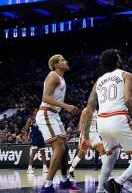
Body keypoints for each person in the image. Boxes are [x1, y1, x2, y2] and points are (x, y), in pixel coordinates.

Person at [80, 49, 132, 193]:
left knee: (110, 158)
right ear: (118, 61)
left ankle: (100, 189)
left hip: (102, 122)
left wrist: (86, 136)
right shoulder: (126, 75)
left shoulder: (98, 81)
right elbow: (128, 100)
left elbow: (89, 110)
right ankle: (117, 182)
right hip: (118, 118)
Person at [36, 54, 80, 192]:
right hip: (46, 113)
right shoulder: (53, 76)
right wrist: (66, 106)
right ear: (56, 65)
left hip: (54, 115)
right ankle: (47, 185)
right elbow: (45, 97)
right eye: (62, 60)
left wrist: (62, 108)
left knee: (65, 148)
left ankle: (64, 180)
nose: (66, 61)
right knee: (59, 148)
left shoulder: (61, 78)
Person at [68, 109, 106, 182]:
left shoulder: (96, 111)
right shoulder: (85, 110)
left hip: (94, 134)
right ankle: (71, 170)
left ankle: (107, 172)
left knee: (103, 151)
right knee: (81, 154)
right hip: (86, 134)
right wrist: (85, 137)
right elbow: (81, 124)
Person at [24, 109, 48, 174]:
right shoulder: (30, 119)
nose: (37, 111)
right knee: (33, 152)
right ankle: (29, 168)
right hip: (34, 137)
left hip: (41, 136)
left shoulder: (41, 118)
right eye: (35, 111)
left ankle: (45, 168)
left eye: (37, 110)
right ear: (33, 112)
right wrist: (26, 138)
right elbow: (26, 129)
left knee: (43, 153)